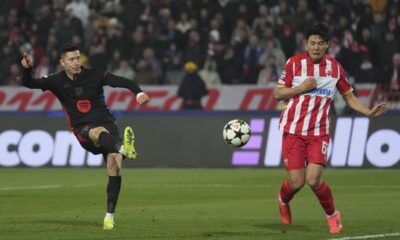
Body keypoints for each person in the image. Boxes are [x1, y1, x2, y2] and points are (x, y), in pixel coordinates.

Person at [20, 44, 150, 230]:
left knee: (114, 165)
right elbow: (29, 83)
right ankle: (123, 148)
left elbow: (120, 81)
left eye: (78, 58)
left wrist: (138, 92)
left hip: (107, 123)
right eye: (71, 59)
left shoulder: (94, 74)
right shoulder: (56, 81)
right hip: (83, 129)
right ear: (62, 62)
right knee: (97, 133)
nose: (76, 62)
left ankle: (109, 217)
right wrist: (27, 69)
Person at [274, 23, 388, 234]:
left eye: (320, 43)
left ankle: (332, 214)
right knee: (296, 182)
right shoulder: (293, 63)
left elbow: (349, 97)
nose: (316, 47)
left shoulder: (335, 68)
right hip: (293, 130)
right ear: (306, 44)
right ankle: (283, 199)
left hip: (319, 132)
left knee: (313, 179)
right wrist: (300, 88)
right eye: (312, 43)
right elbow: (278, 94)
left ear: (327, 45)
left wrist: (368, 111)